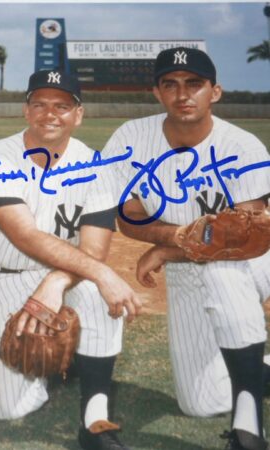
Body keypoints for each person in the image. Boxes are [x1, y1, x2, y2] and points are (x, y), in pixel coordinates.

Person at [0, 69, 142, 450]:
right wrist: (97, 273)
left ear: (78, 114)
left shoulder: (98, 166)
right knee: (8, 408)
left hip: (68, 273)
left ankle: (95, 416)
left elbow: (94, 251)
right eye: (39, 104)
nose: (50, 113)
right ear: (26, 111)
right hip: (6, 274)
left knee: (96, 289)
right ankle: (65, 359)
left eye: (62, 105)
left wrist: (57, 281)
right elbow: (23, 234)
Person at [104, 47, 270, 450]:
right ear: (157, 92)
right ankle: (257, 368)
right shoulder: (131, 137)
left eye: (194, 84)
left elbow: (243, 237)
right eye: (171, 84)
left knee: (221, 270)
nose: (183, 94)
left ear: (215, 92)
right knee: (199, 403)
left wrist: (166, 250)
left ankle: (249, 427)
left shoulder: (244, 147)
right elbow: (127, 213)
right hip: (188, 265)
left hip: (253, 258)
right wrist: (174, 240)